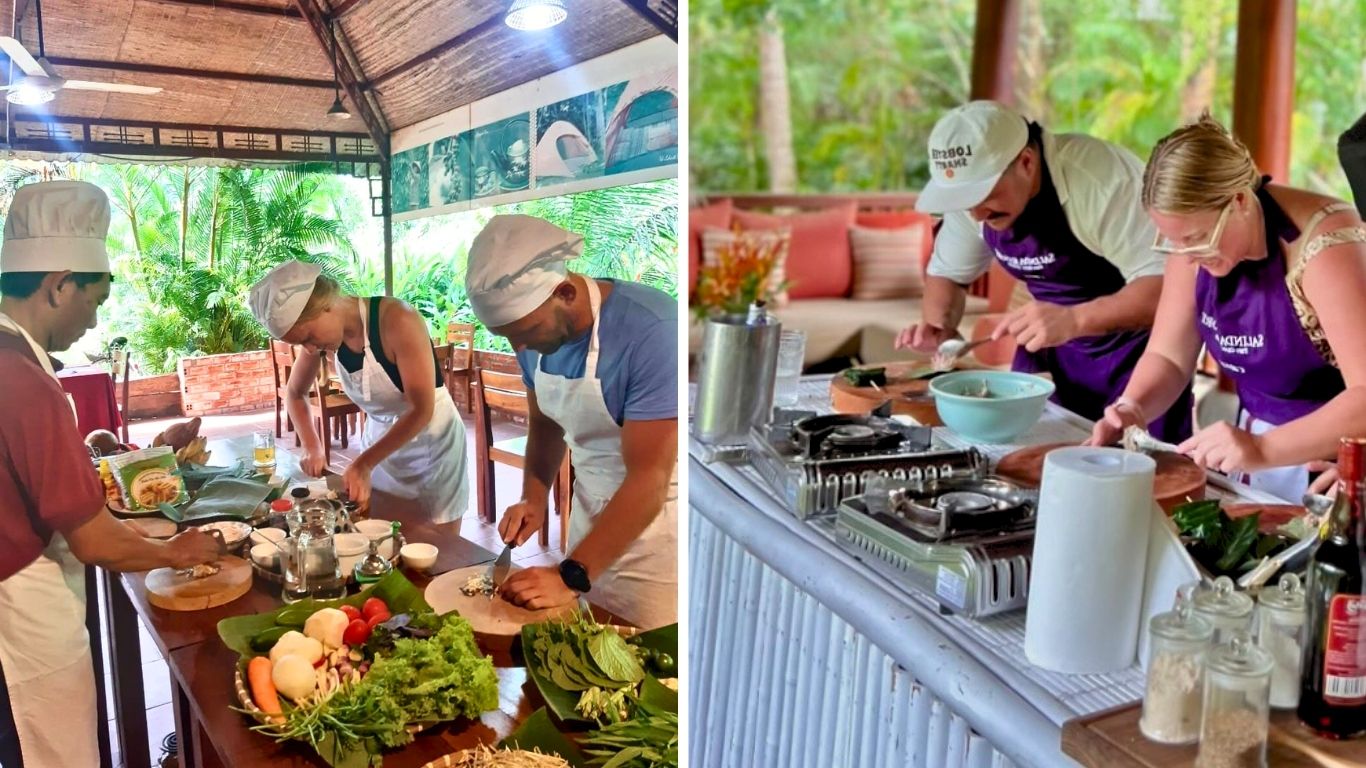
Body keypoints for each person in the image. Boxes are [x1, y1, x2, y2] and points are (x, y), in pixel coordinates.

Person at [0, 180, 220, 767]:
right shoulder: (22, 380)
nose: (94, 323)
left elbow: (37, 478)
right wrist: (180, 550)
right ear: (58, 285)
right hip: (18, 614)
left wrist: (152, 456)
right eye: (94, 302)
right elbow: (92, 537)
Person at [1087, 115, 1366, 501]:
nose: (1185, 255)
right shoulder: (1190, 249)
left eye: (1196, 238)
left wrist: (1263, 449)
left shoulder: (1324, 245)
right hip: (1252, 444)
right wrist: (1133, 407)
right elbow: (1169, 355)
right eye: (1173, 241)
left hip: (1332, 458)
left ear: (1238, 201)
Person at [896, 100, 1193, 441]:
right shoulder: (973, 207)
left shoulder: (1101, 181)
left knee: (1147, 475)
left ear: (1026, 161)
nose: (976, 214)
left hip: (1139, 355)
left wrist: (1075, 320)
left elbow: (1168, 290)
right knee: (1040, 456)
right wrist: (941, 330)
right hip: (1055, 351)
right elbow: (947, 274)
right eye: (965, 199)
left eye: (984, 194)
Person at [466, 214, 677, 629]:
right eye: (506, 336)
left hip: (654, 533)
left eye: (524, 331)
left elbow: (649, 477)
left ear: (564, 292)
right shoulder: (533, 336)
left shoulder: (653, 331)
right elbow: (546, 424)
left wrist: (571, 573)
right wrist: (533, 495)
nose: (519, 347)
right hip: (587, 521)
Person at [249, 262, 469, 523]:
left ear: (326, 305)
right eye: (299, 344)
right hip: (380, 446)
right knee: (381, 532)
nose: (308, 349)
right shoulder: (320, 341)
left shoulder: (397, 319)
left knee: (437, 545)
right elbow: (295, 393)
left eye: (307, 337)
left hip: (431, 446)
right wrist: (311, 445)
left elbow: (421, 409)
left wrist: (364, 463)